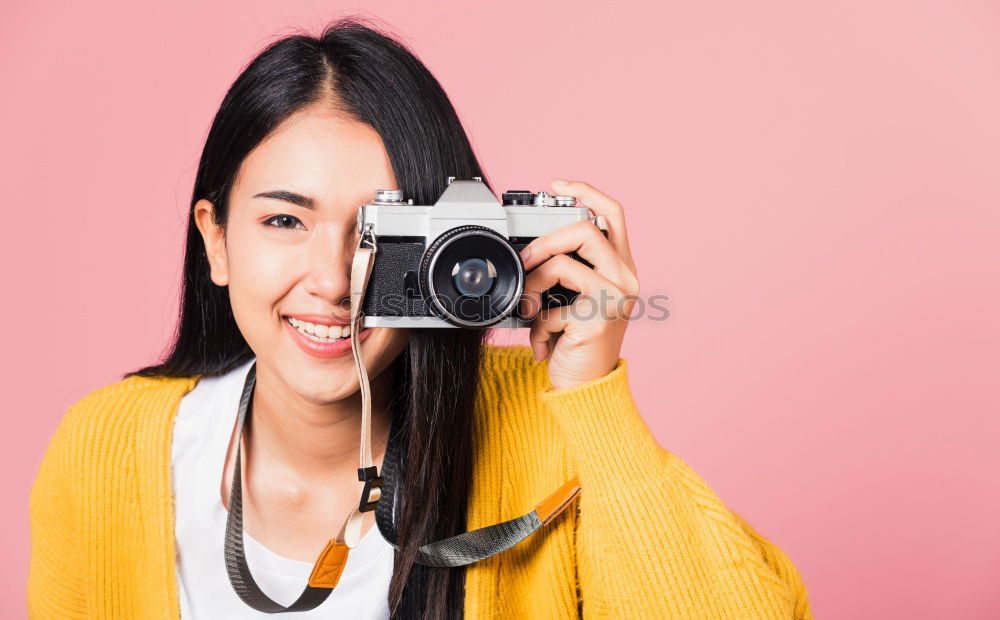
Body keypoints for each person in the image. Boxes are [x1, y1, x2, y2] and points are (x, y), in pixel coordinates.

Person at [27, 16, 812, 620]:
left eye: (376, 232)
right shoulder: (109, 448)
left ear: (450, 247)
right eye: (284, 222)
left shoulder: (549, 427)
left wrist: (593, 395)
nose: (334, 281)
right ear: (216, 240)